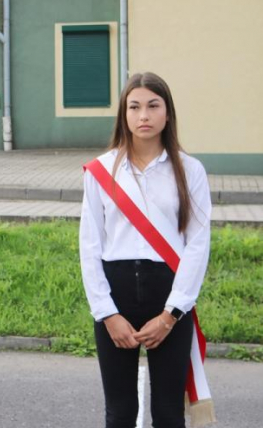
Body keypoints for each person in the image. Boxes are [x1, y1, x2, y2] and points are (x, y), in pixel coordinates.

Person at [79, 72, 213, 428]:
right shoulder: (101, 171)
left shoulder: (191, 170)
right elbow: (89, 245)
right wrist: (107, 313)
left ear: (167, 114)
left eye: (153, 106)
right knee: (119, 412)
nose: (144, 116)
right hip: (116, 292)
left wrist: (171, 314)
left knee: (169, 413)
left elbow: (198, 245)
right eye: (134, 106)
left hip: (169, 294)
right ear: (123, 114)